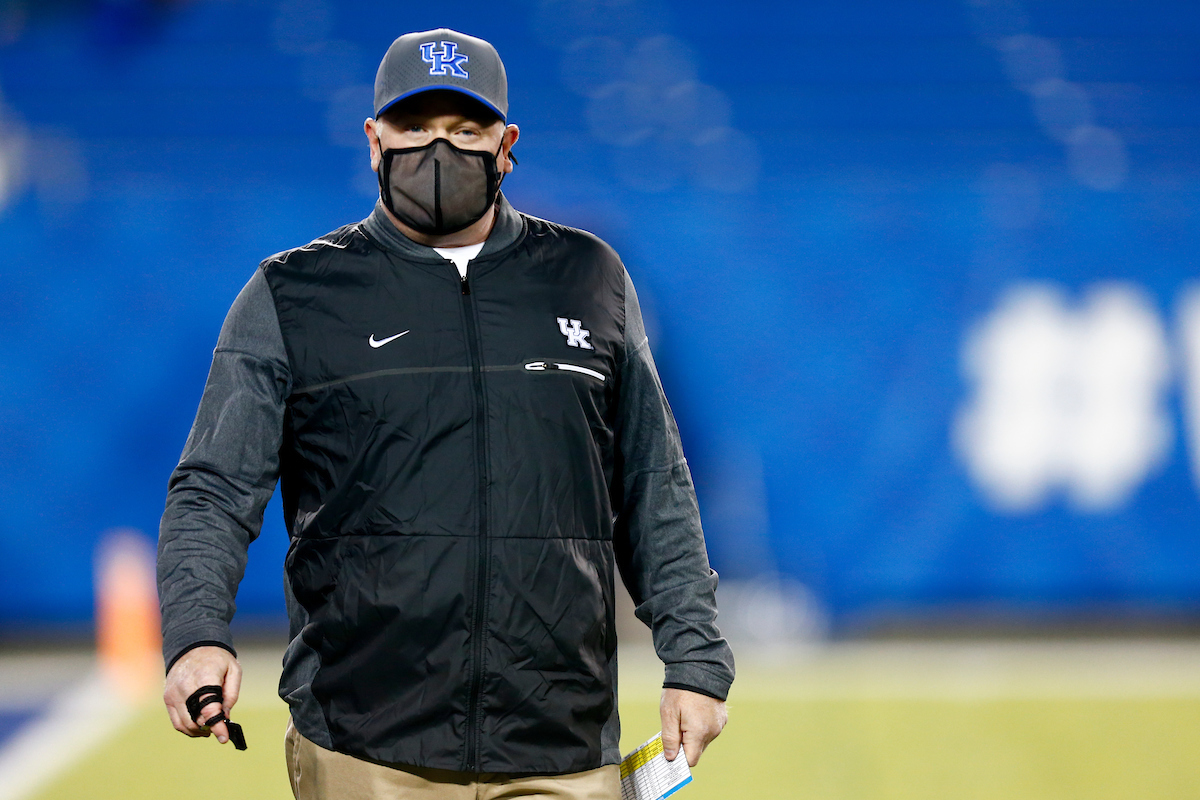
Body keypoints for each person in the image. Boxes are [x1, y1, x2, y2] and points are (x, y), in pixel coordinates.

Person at [157, 28, 733, 800]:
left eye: (465, 130)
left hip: (561, 742)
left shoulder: (587, 276)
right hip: (366, 745)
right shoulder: (294, 295)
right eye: (415, 127)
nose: (439, 150)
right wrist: (197, 637)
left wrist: (694, 660)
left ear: (506, 144)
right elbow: (214, 489)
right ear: (373, 139)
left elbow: (652, 482)